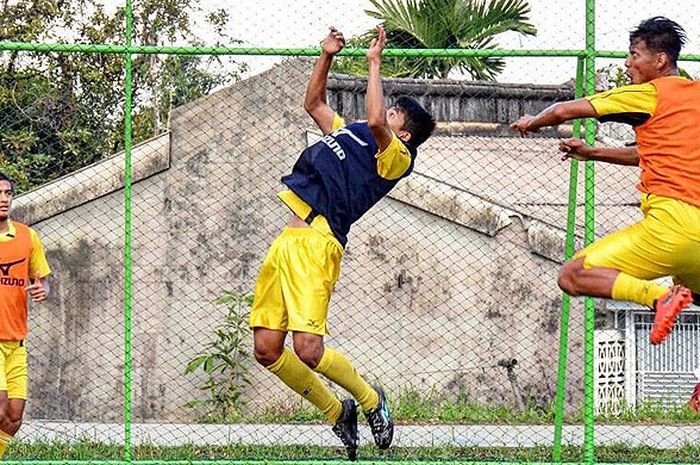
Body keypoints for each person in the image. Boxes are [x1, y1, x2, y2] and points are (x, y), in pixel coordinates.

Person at [248, 25, 435, 460]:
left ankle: (373, 401)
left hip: (318, 244)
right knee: (266, 349)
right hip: (288, 241)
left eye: (393, 113)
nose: (384, 112)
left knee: (308, 349)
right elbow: (314, 104)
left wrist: (374, 63)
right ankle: (338, 412)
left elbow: (374, 119)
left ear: (403, 133)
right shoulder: (350, 133)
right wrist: (327, 55)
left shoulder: (395, 158)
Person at [511, 16, 699, 346]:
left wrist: (533, 121)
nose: (628, 63)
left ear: (660, 60)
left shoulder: (648, 94)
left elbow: (563, 111)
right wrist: (593, 153)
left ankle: (658, 297)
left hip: (673, 227)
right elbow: (648, 153)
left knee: (573, 275)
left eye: (634, 54)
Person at [0, 172, 51, 459]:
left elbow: (41, 278)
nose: (3, 199)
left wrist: (42, 289)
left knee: (13, 418)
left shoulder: (27, 236)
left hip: (16, 342)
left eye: (8, 193)